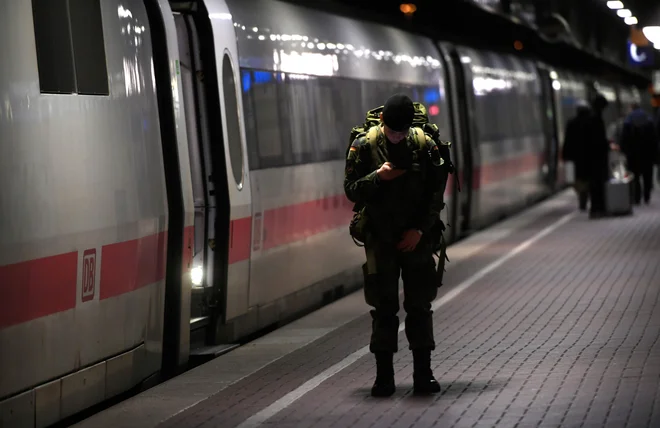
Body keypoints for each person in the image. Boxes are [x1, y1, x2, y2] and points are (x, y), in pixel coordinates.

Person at [344, 94, 449, 397]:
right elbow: (351, 190)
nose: (398, 137)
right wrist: (379, 177)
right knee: (384, 308)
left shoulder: (424, 145)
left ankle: (423, 374)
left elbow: (435, 196)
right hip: (380, 239)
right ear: (382, 123)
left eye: (402, 132)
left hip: (416, 240)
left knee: (420, 306)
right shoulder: (363, 145)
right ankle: (384, 378)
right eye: (393, 131)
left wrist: (419, 230)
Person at [620, 102, 658, 204]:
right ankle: (646, 196)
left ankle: (636, 197)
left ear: (632, 108)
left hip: (633, 154)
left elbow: (624, 138)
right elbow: (654, 138)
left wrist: (624, 150)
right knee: (647, 176)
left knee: (634, 176)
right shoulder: (648, 119)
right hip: (647, 153)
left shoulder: (628, 120)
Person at [562, 100, 593, 211]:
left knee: (578, 180)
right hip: (590, 157)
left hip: (576, 158)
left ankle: (582, 198)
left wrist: (565, 156)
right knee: (589, 179)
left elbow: (567, 141)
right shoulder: (592, 122)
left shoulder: (571, 123)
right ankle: (587, 197)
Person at [586, 94, 610, 219]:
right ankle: (598, 208)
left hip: (593, 158)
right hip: (597, 159)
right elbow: (597, 140)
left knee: (595, 184)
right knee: (597, 184)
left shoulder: (592, 117)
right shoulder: (596, 119)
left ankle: (597, 208)